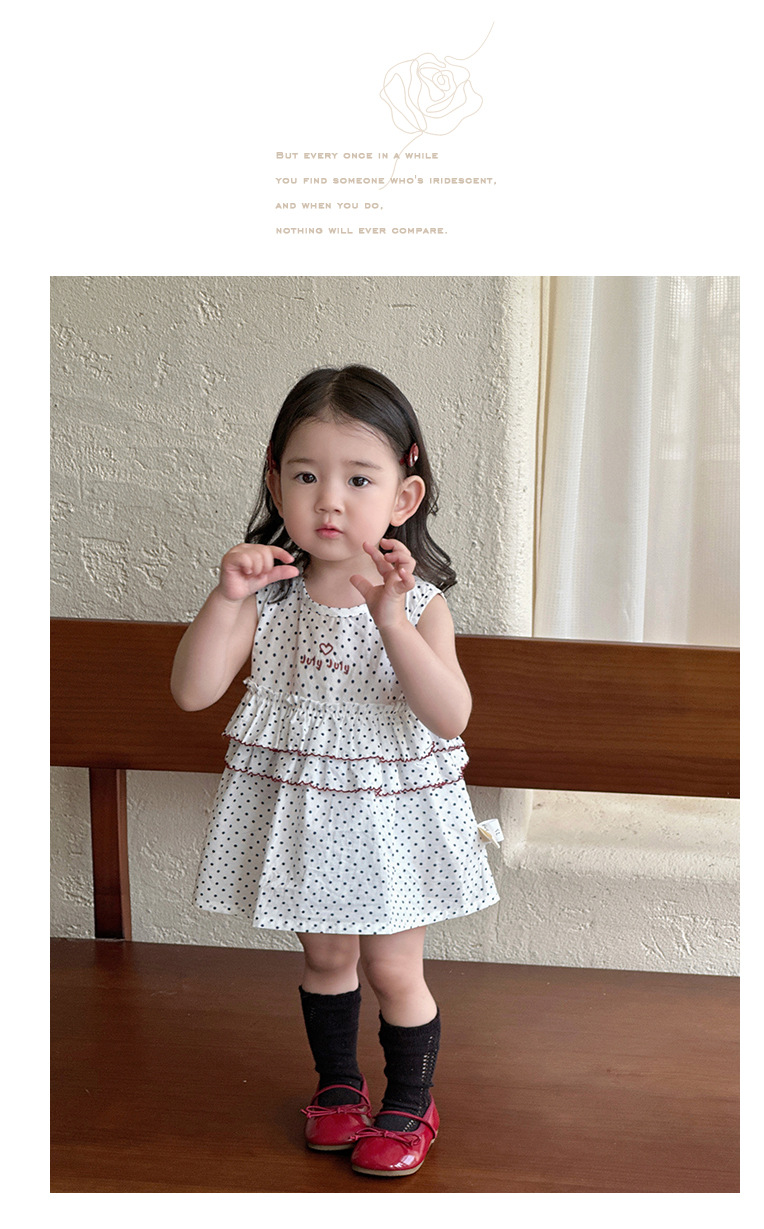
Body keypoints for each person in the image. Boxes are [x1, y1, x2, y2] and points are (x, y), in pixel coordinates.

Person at [171, 364, 499, 1177]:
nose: (329, 500)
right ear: (274, 484)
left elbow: (450, 715)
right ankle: (338, 1087)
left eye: (358, 478)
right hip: (309, 825)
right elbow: (192, 691)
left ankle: (410, 1100)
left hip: (393, 824)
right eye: (306, 476)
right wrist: (225, 597)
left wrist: (391, 622)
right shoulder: (270, 599)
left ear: (403, 496)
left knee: (392, 966)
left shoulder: (418, 603)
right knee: (325, 960)